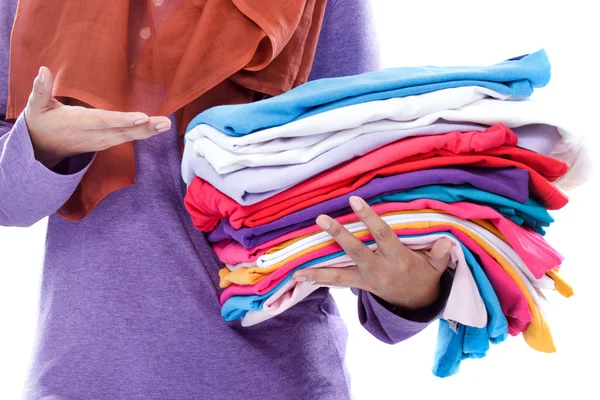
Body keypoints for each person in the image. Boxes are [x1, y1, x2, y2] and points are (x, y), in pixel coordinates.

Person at [0, 1, 453, 399]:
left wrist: (412, 297)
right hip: (79, 379)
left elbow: (363, 191)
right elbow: (9, 200)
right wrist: (40, 146)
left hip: (272, 381)